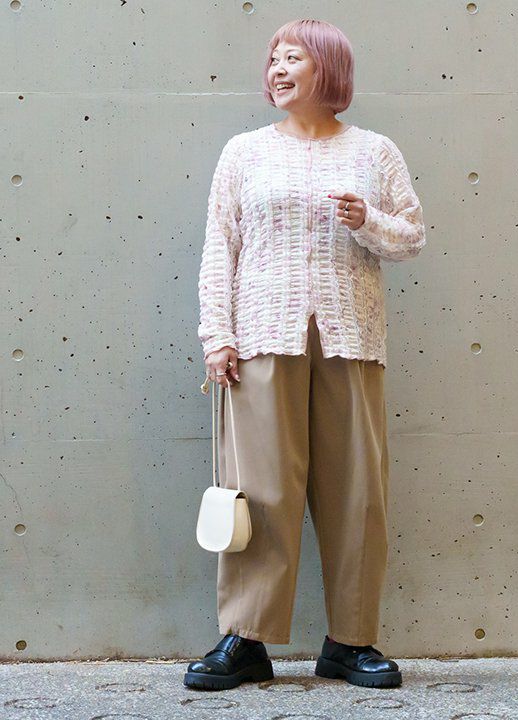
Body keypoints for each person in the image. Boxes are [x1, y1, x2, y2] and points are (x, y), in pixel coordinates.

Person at [184, 18, 426, 692]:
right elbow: (220, 245)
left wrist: (367, 221)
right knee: (261, 490)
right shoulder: (244, 152)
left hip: (351, 336)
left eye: (293, 57)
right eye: (274, 59)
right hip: (262, 335)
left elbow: (412, 236)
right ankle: (246, 638)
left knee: (358, 491)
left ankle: (351, 640)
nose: (278, 69)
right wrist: (217, 334)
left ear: (328, 68)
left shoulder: (374, 151)